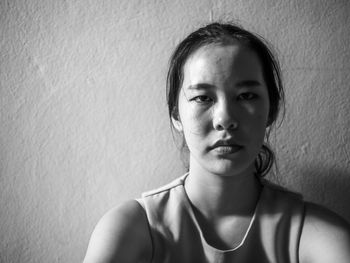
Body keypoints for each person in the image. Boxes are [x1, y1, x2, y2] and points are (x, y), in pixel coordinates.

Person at [83, 22, 350, 263]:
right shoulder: (132, 228)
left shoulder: (314, 233)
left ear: (272, 110)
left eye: (246, 96)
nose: (225, 119)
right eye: (202, 98)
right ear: (176, 114)